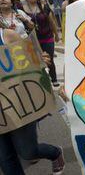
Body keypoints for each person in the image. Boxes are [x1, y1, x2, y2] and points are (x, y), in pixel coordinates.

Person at [0, 27, 65, 175]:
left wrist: (39, 60)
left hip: (18, 105)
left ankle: (54, 153)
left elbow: (30, 61)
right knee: (5, 158)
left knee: (28, 152)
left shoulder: (7, 36)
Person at [23, 0, 60, 87]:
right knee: (36, 61)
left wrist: (56, 35)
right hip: (32, 39)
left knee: (49, 59)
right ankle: (42, 81)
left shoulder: (44, 7)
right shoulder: (21, 9)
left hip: (47, 37)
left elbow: (51, 22)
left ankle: (54, 79)